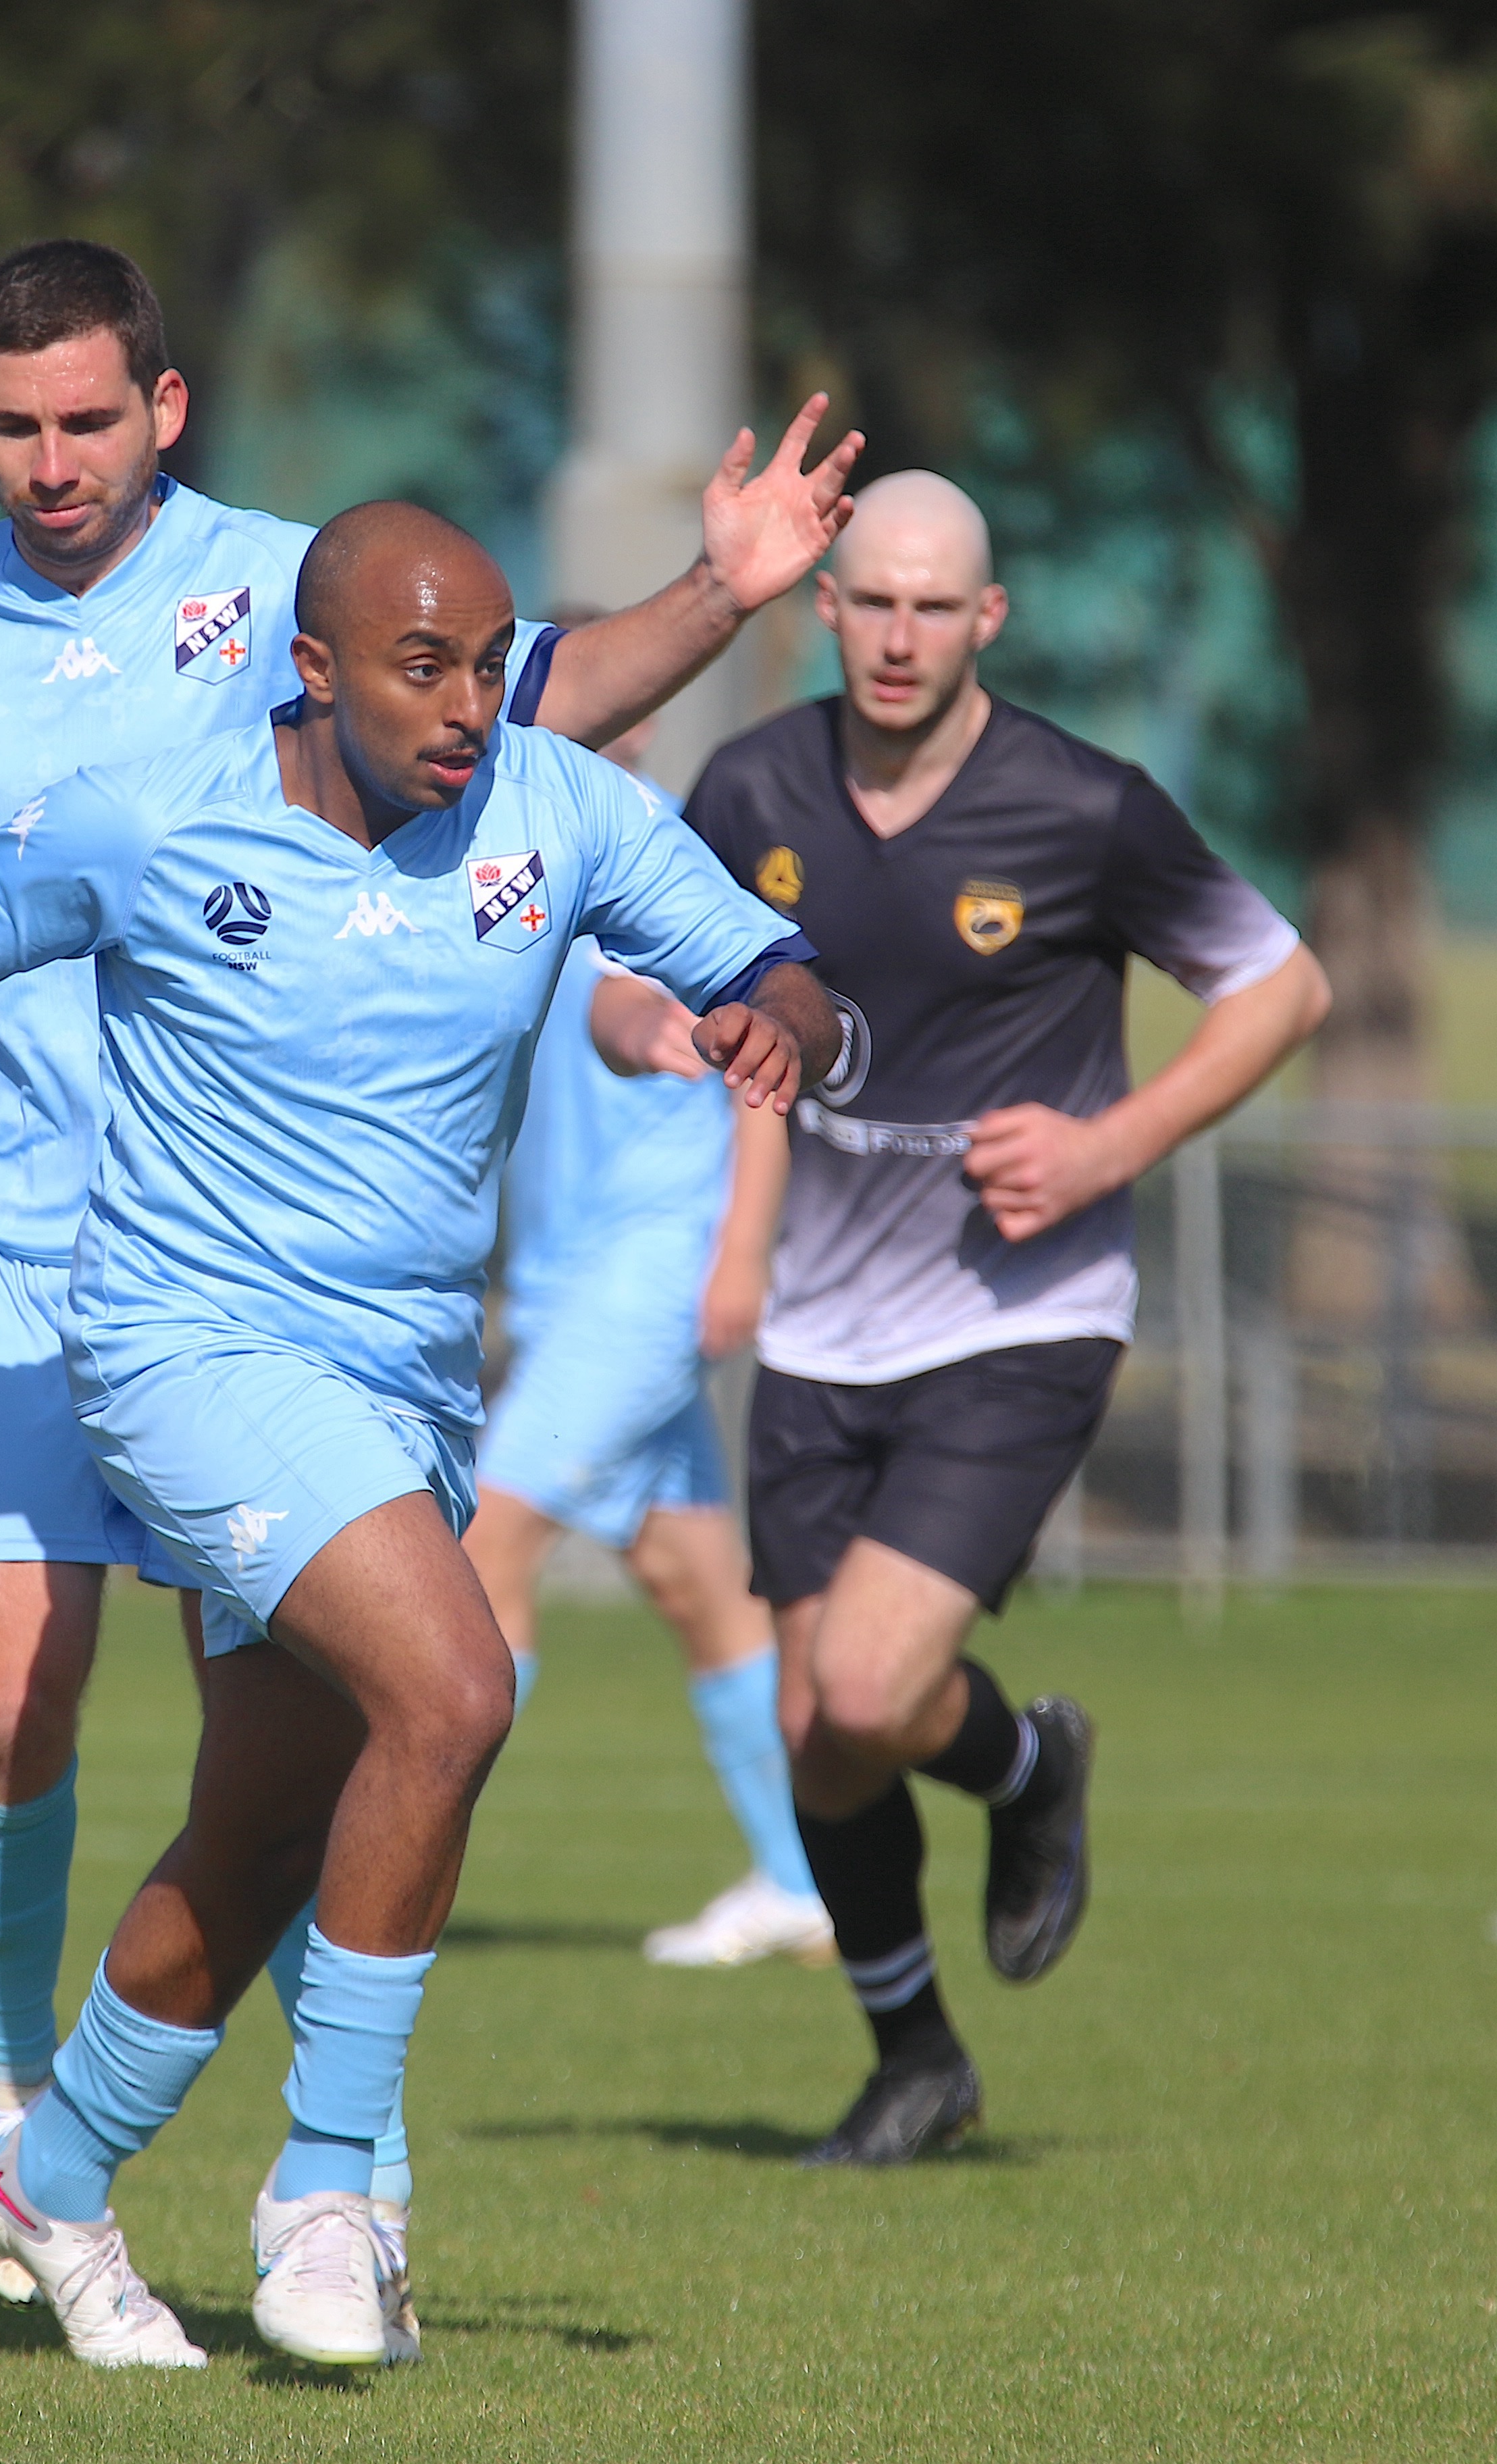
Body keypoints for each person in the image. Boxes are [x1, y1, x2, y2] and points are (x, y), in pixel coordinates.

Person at [0, 240, 860, 2290]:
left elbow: (514, 707)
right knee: (39, 1687)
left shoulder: (291, 589)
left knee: (295, 1775)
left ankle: (197, 2166)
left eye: (86, 420)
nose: (50, 462)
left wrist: (723, 597)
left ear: (166, 413)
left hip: (304, 1265)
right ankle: (62, 2109)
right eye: (11, 425)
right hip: (41, 1237)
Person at [684, 471, 1330, 2164]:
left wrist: (1107, 1141)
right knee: (813, 1730)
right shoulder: (748, 785)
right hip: (820, 1335)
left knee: (878, 1685)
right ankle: (915, 2059)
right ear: (822, 612)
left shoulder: (1081, 806)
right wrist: (642, 1044)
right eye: (868, 602)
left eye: (932, 606)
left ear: (987, 621)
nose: (896, 636)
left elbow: (1283, 987)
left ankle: (1026, 1762)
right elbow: (670, 978)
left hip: (1016, 1312)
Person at [460, 699, 832, 1972]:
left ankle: (387, 1847)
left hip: (652, 1273)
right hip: (575, 1282)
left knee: (481, 1543)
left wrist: (741, 1253)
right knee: (697, 1585)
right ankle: (806, 1880)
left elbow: (740, 1051)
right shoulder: (488, 858)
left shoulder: (658, 856)